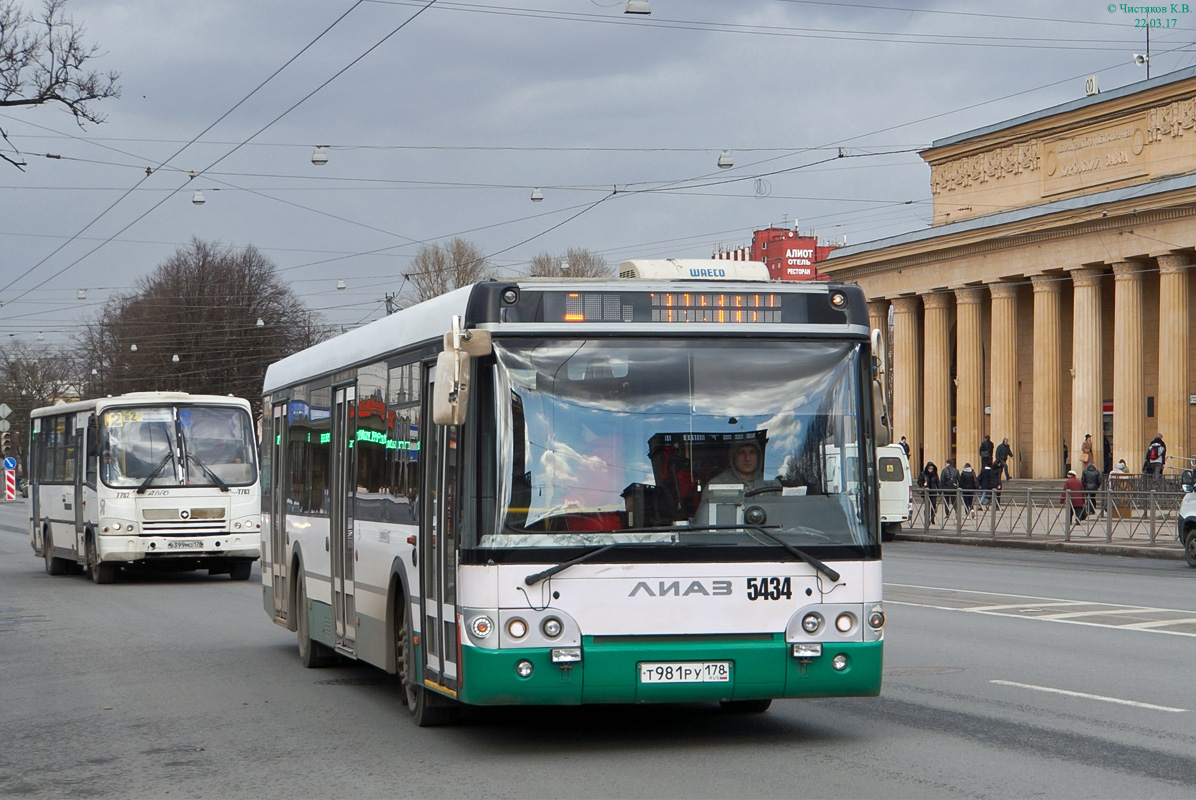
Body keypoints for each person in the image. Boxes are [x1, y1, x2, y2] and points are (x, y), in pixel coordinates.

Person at [709, 440, 775, 493]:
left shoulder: (771, 483)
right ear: (733, 456)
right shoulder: (716, 485)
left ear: (759, 456)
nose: (747, 458)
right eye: (741, 452)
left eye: (752, 452)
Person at [917, 461, 941, 525]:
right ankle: (927, 518)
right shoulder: (923, 474)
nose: (930, 469)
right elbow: (919, 481)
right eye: (929, 468)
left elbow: (937, 483)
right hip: (926, 492)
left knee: (933, 506)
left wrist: (940, 491)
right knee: (927, 506)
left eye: (932, 468)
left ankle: (932, 518)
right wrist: (922, 484)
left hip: (933, 492)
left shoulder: (935, 474)